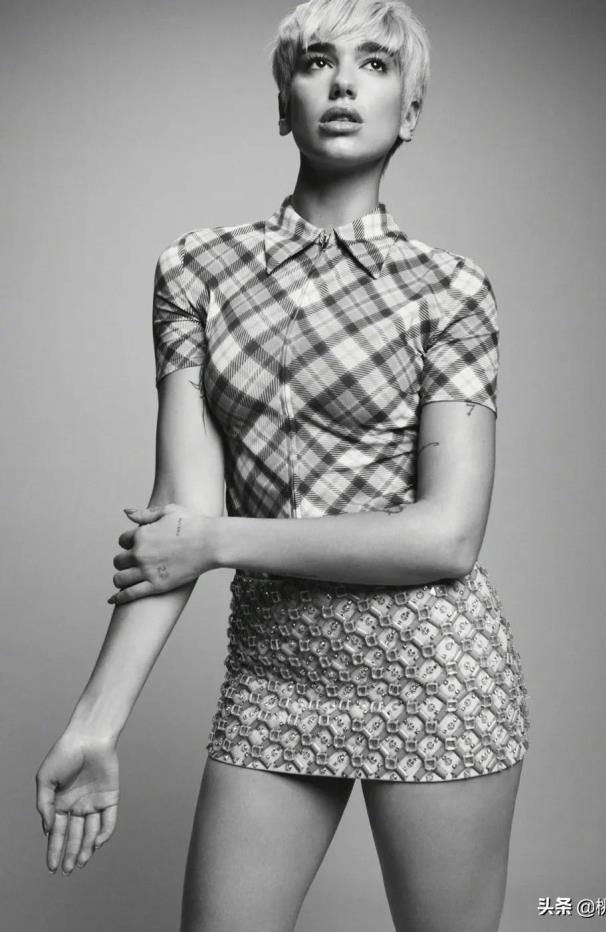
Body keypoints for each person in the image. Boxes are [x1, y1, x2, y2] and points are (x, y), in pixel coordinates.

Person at [35, 1, 531, 929]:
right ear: (282, 103)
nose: (342, 82)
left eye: (375, 65)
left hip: (433, 676)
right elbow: (177, 517)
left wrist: (218, 540)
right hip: (274, 675)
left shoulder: (451, 290)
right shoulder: (196, 272)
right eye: (316, 62)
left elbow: (447, 537)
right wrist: (93, 725)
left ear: (409, 112)